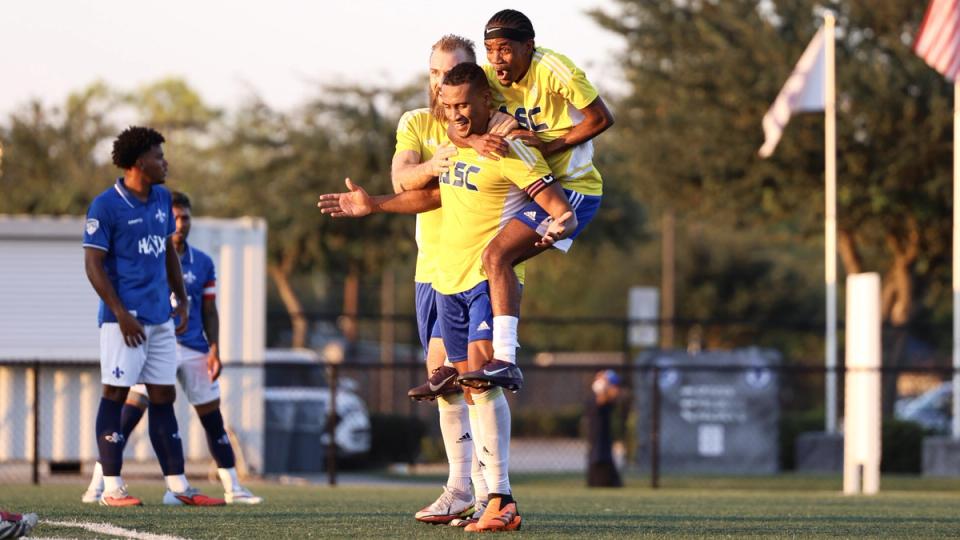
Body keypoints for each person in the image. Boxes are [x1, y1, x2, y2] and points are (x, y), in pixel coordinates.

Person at [318, 62, 577, 532]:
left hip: (484, 281)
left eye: (463, 105)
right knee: (466, 389)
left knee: (482, 382)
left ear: (486, 100)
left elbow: (560, 207)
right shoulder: (454, 146)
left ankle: (501, 498)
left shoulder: (509, 148)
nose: (455, 114)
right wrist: (374, 204)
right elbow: (433, 197)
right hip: (447, 285)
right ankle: (482, 498)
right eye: (448, 105)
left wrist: (558, 226)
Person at [448, 9, 616, 393]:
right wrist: (476, 140)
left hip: (572, 187)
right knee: (486, 260)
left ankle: (504, 360)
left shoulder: (554, 69)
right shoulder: (487, 78)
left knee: (496, 257)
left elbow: (601, 119)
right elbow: (453, 121)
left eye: (505, 49)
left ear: (529, 46)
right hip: (532, 185)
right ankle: (482, 354)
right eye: (490, 49)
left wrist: (548, 144)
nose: (497, 59)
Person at [82, 192, 261, 505]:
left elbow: (209, 309)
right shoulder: (137, 242)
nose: (179, 224)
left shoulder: (202, 262)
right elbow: (97, 263)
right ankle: (101, 486)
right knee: (126, 413)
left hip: (192, 347)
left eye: (185, 218)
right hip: (148, 337)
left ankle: (229, 488)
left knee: (210, 417)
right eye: (175, 218)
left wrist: (214, 348)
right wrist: (122, 314)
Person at [83, 126, 222, 507]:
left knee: (163, 395)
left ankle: (179, 488)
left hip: (161, 317)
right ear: (138, 162)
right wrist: (120, 313)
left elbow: (166, 252)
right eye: (159, 156)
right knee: (115, 394)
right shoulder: (105, 206)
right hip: (123, 320)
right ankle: (112, 488)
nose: (165, 162)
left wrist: (182, 299)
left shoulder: (162, 198)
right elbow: (93, 265)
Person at [586, 370, 624, 487]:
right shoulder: (596, 401)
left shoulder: (610, 403)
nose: (616, 389)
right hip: (599, 458)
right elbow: (601, 399)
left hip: (606, 456)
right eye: (613, 385)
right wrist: (602, 384)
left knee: (616, 486)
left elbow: (611, 398)